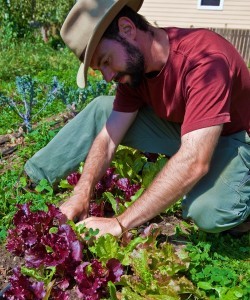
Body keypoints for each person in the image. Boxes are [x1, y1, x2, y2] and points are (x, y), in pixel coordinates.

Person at [24, 0, 250, 237]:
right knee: (103, 108)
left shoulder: (205, 60)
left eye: (106, 61)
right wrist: (82, 191)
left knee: (207, 211)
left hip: (235, 139)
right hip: (190, 130)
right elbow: (108, 138)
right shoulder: (135, 70)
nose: (108, 76)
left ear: (127, 30)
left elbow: (195, 161)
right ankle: (34, 179)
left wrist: (119, 223)